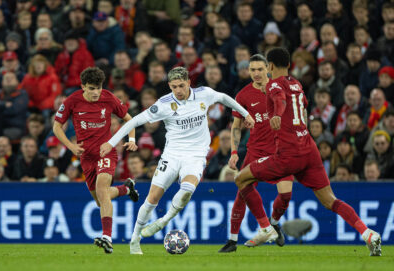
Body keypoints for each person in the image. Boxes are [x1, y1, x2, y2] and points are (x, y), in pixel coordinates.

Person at [234, 47, 381, 256]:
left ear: (271, 66)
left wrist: (277, 113)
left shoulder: (274, 84)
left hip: (288, 154)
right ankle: (367, 234)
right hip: (309, 149)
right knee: (331, 200)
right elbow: (298, 107)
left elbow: (279, 99)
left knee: (241, 178)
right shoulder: (297, 83)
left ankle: (266, 228)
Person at [100, 66, 255, 255]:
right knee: (152, 198)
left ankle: (163, 221)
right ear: (169, 86)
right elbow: (133, 121)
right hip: (171, 156)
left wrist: (246, 114)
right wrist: (111, 142)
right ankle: (134, 240)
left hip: (196, 156)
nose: (178, 91)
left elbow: (224, 98)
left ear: (189, 82)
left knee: (188, 188)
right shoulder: (164, 104)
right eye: (174, 87)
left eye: (181, 86)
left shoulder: (204, 94)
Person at [52, 67, 139, 254]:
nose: (96, 92)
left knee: (101, 190)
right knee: (101, 200)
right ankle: (125, 189)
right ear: (83, 87)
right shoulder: (72, 101)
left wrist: (131, 140)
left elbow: (129, 119)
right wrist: (71, 146)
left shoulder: (108, 98)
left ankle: (107, 237)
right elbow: (57, 126)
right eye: (91, 88)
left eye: (98, 88)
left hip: (106, 152)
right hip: (86, 157)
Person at [219, 54, 293, 253]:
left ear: (268, 69)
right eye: (252, 70)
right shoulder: (243, 96)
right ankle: (233, 241)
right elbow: (236, 127)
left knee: (286, 195)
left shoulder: (280, 89)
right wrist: (234, 152)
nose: (256, 73)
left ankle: (273, 223)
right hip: (256, 150)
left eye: (260, 69)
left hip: (281, 151)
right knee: (242, 191)